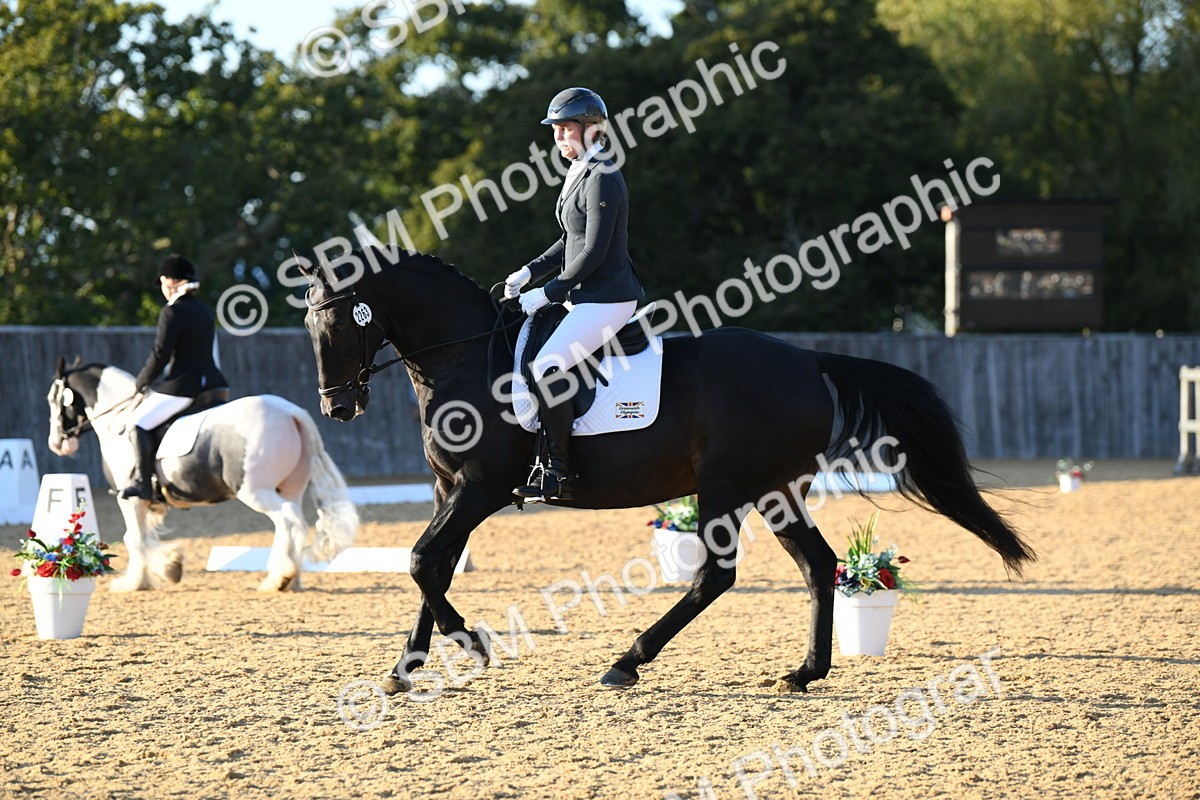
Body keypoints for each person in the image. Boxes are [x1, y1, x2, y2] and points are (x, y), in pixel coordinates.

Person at [506, 87, 645, 502]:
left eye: (565, 130)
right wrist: (529, 271)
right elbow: (569, 241)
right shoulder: (580, 171)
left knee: (548, 366)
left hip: (609, 297)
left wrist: (547, 292)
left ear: (590, 129)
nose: (558, 139)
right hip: (583, 295)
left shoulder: (604, 175)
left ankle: (558, 472)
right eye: (557, 131)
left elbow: (593, 252)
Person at [119, 254, 229, 500]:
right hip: (215, 384)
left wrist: (142, 382)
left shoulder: (172, 312)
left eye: (161, 283)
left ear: (169, 281)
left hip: (185, 387)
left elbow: (160, 354)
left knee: (136, 422)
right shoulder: (204, 310)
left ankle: (143, 482)